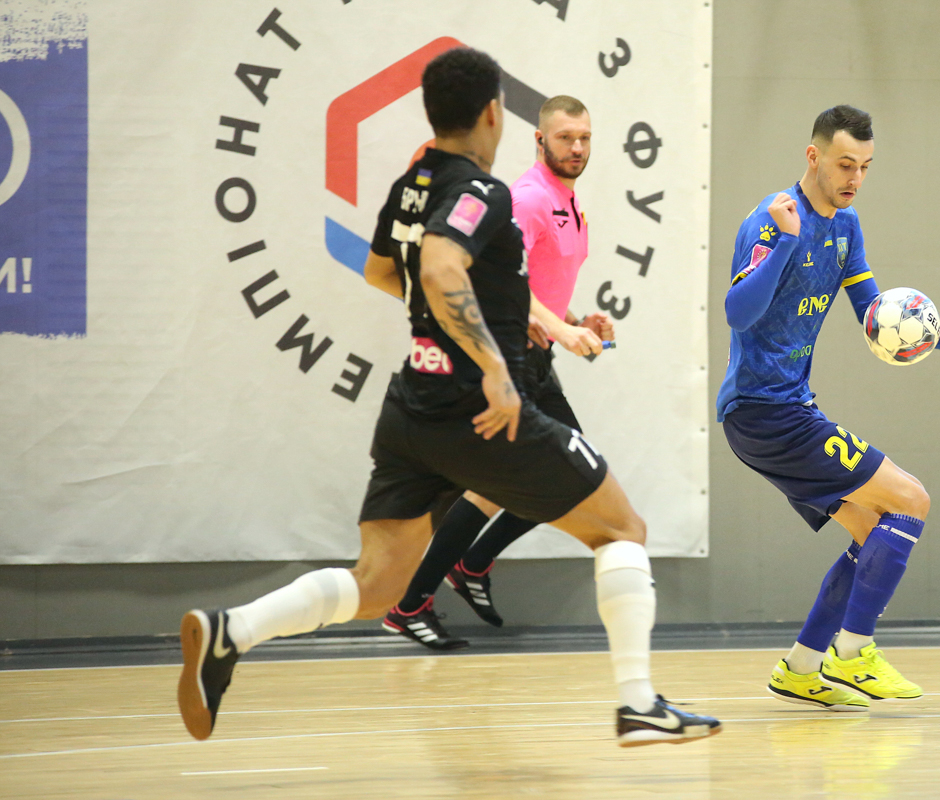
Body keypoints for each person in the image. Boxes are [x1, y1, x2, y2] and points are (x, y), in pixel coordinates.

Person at [177, 47, 720, 747]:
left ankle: (233, 630)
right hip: (479, 411)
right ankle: (639, 703)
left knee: (377, 586)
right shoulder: (484, 191)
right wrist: (493, 364)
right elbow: (438, 267)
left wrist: (490, 317)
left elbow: (383, 271)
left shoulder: (414, 183)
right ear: (495, 113)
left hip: (413, 409)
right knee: (622, 529)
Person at [717, 105, 940, 711]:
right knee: (911, 499)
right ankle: (853, 652)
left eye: (866, 167)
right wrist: (786, 243)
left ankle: (801, 667)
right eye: (845, 164)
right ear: (814, 156)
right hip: (764, 412)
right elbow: (737, 314)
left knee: (873, 529)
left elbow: (873, 316)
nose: (855, 178)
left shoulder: (846, 226)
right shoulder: (773, 220)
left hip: (781, 411)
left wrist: (939, 338)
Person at [381, 94, 616, 649]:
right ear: (540, 140)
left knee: (534, 479)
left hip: (535, 358)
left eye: (584, 138)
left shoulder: (568, 201)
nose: (576, 148)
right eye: (565, 138)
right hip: (508, 359)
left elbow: (537, 287)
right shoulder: (528, 199)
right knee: (540, 479)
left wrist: (576, 321)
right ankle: (418, 598)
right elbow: (500, 279)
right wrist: (560, 332)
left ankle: (460, 572)